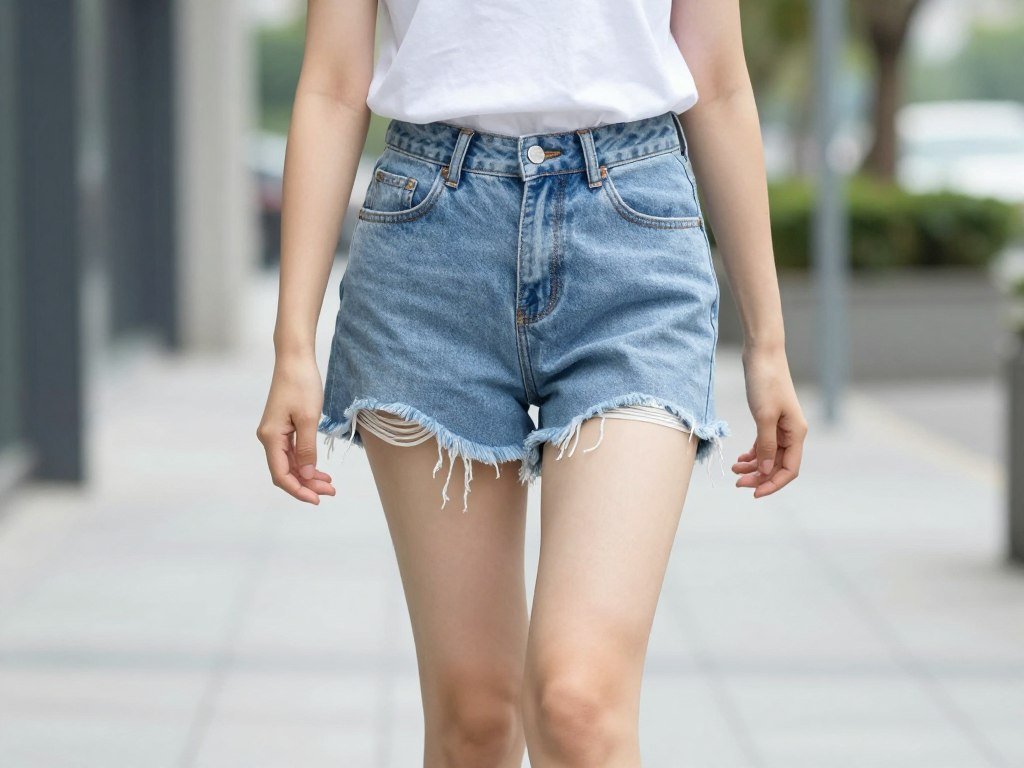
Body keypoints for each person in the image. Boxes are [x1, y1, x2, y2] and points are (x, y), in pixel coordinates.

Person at [257, 0, 808, 763]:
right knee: (474, 717)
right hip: (428, 250)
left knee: (578, 702)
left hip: (633, 243)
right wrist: (293, 345)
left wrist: (768, 344)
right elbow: (332, 84)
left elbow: (717, 81)